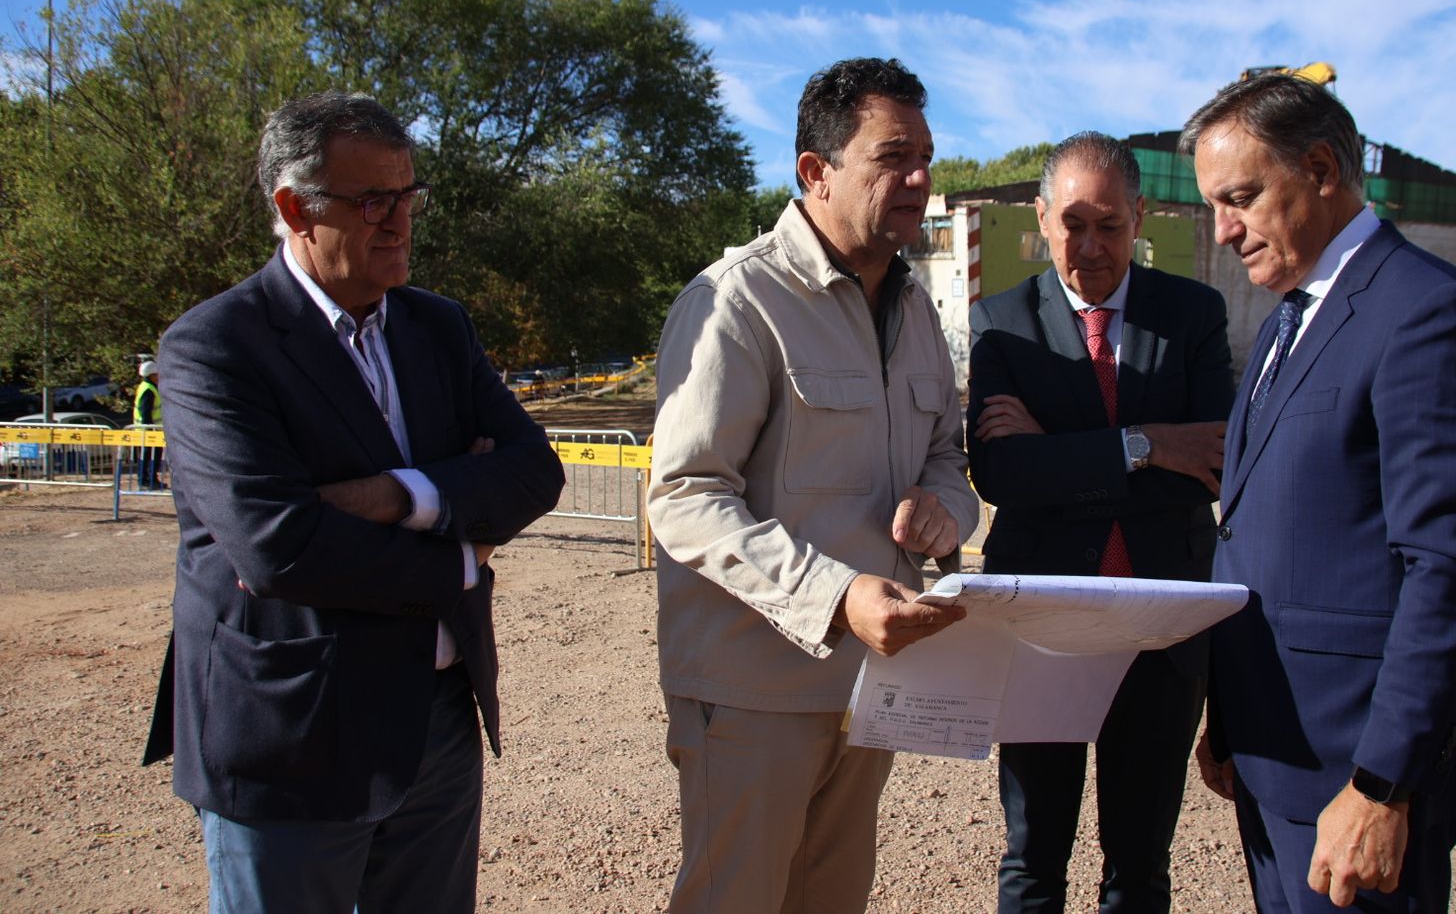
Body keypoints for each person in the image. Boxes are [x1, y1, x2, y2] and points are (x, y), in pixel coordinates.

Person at [141, 91, 565, 913]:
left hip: (438, 723)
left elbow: (534, 472)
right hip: (294, 735)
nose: (400, 222)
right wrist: (460, 550)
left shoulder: (438, 327)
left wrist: (394, 496)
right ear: (294, 208)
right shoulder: (214, 347)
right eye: (373, 201)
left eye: (409, 197)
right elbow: (279, 546)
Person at [647, 56, 981, 914]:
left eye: (927, 157)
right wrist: (836, 596)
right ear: (815, 170)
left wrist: (946, 509)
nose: (920, 179)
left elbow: (947, 448)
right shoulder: (737, 301)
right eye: (894, 156)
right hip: (752, 690)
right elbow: (685, 495)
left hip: (868, 687)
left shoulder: (913, 311)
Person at [1179, 75, 1456, 912]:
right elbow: (1264, 531)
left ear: (1324, 169)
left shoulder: (1428, 314)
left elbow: (1446, 572)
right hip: (1274, 753)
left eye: (1241, 199)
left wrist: (1382, 784)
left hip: (1354, 774)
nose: (1225, 232)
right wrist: (1230, 713)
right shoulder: (1284, 324)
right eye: (1215, 206)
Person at [967, 132, 1234, 913]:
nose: (1089, 245)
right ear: (1042, 219)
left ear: (1140, 217)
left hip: (1163, 626)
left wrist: (1063, 454)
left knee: (1141, 865)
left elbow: (1213, 460)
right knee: (1033, 858)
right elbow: (1002, 474)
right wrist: (1148, 445)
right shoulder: (1001, 322)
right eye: (1073, 222)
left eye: (1110, 225)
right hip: (1044, 624)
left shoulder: (1193, 315)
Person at [132, 359, 163, 489]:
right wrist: (150, 429)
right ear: (152, 375)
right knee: (150, 458)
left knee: (148, 457)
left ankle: (147, 480)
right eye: (157, 374)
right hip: (149, 430)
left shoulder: (146, 386)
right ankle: (148, 481)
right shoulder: (148, 390)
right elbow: (146, 412)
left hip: (148, 430)